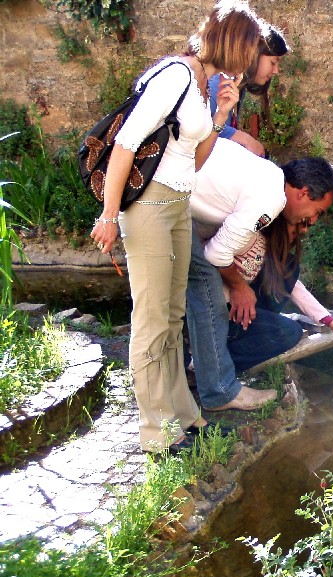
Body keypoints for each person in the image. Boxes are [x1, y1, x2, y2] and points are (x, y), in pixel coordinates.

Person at [90, 2, 266, 454]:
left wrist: (222, 114)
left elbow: (194, 159)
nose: (249, 62)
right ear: (230, 43)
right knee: (151, 321)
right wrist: (110, 216)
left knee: (172, 317)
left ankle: (184, 417)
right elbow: (127, 143)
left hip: (177, 205)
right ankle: (157, 434)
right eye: (248, 49)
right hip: (147, 208)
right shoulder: (176, 76)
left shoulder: (205, 84)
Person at [186, 138, 333, 411]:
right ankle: (210, 368)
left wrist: (330, 322)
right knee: (287, 332)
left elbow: (293, 286)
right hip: (212, 299)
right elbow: (214, 257)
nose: (310, 223)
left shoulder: (266, 180)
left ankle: (210, 362)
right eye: (316, 213)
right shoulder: (268, 204)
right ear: (303, 193)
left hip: (179, 225)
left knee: (288, 274)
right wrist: (239, 289)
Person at [208, 22, 289, 156]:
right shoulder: (218, 84)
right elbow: (203, 131)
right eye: (273, 62)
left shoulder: (239, 87)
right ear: (255, 55)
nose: (276, 71)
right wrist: (245, 139)